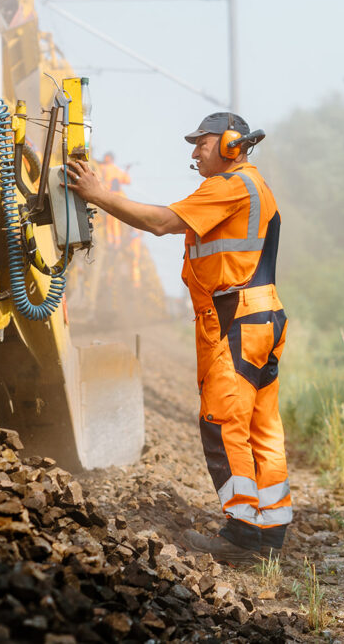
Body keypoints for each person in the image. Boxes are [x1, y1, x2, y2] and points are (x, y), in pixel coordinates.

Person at [65, 112, 291, 565]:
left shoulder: (229, 185)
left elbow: (161, 223)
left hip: (236, 316)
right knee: (260, 424)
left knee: (222, 421)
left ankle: (242, 531)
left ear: (230, 144)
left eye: (201, 144)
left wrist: (97, 194)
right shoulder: (255, 186)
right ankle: (271, 528)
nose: (193, 153)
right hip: (262, 313)